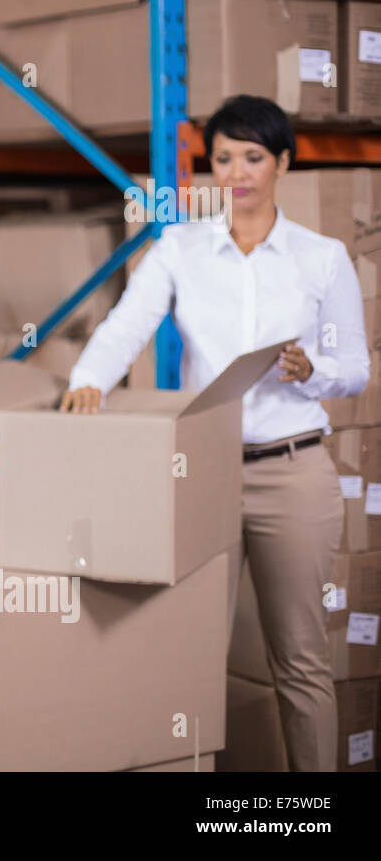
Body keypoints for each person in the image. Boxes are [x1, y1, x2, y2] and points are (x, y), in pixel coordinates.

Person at [60, 94, 369, 771]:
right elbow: (128, 322)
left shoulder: (322, 258)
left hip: (294, 471)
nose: (237, 171)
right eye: (223, 157)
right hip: (204, 471)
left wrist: (311, 369)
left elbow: (357, 371)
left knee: (300, 655)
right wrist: (90, 380)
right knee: (194, 654)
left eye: (252, 157)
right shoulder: (182, 248)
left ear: (282, 162)